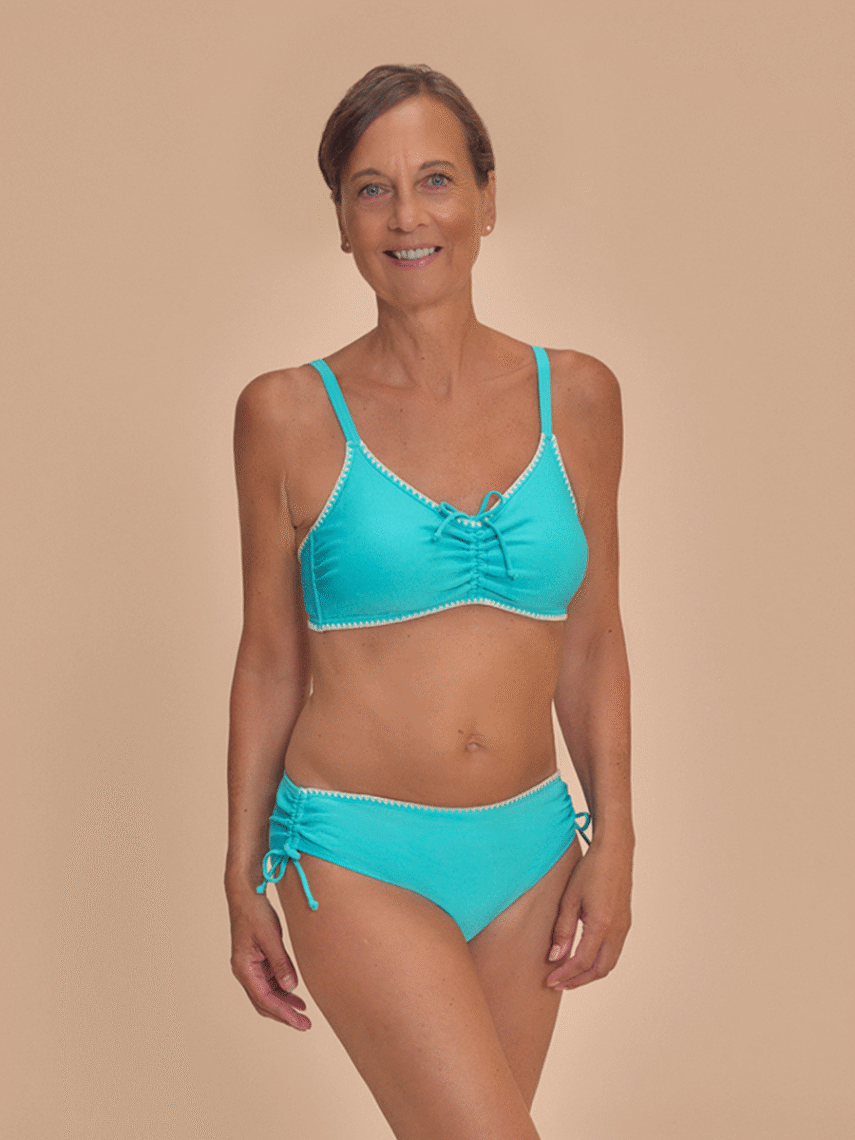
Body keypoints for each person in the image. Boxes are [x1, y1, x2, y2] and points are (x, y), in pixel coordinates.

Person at [225, 63, 634, 1140]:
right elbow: (269, 658)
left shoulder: (579, 397)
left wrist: (616, 838)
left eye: (437, 179)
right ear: (343, 222)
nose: (407, 215)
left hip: (531, 854)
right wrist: (240, 874)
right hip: (354, 850)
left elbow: (593, 639)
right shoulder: (286, 414)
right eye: (372, 189)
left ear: (487, 201)